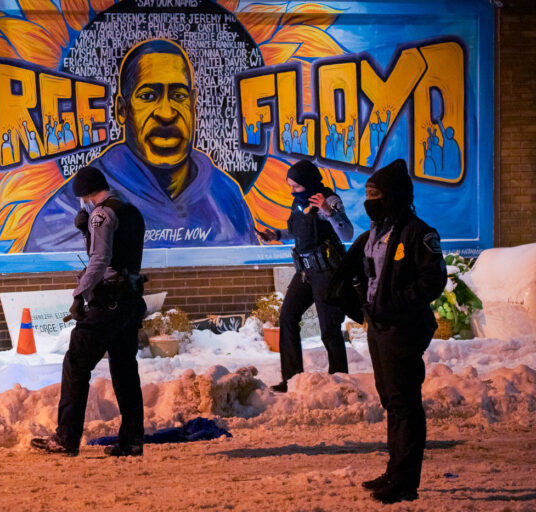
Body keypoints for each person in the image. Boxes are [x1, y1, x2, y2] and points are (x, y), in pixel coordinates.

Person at [24, 39, 255, 252]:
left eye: (179, 95)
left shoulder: (226, 196)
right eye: (147, 96)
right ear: (122, 110)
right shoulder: (64, 213)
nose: (166, 113)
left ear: (194, 106)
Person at [326, 158, 447, 504]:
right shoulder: (374, 235)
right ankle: (395, 471)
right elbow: (363, 275)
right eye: (367, 196)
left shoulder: (418, 233)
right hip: (378, 328)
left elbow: (433, 279)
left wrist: (396, 303)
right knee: (392, 401)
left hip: (403, 329)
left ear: (393, 196)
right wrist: (361, 303)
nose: (369, 203)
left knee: (406, 404)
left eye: (376, 195)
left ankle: (406, 482)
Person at [30, 166, 147, 457]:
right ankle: (132, 440)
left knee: (76, 364)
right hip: (130, 300)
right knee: (124, 370)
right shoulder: (130, 210)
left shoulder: (101, 215)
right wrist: (88, 231)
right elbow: (122, 253)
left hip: (108, 301)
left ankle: (66, 439)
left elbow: (99, 261)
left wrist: (79, 295)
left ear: (85, 194)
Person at [258, 159, 353, 393]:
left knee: (329, 328)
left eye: (296, 186)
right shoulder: (298, 202)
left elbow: (347, 232)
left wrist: (328, 211)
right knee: (287, 318)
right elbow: (298, 229)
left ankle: (340, 381)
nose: (292, 191)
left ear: (309, 183)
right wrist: (276, 234)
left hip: (326, 272)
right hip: (304, 272)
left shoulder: (329, 200)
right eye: (290, 186)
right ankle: (291, 379)